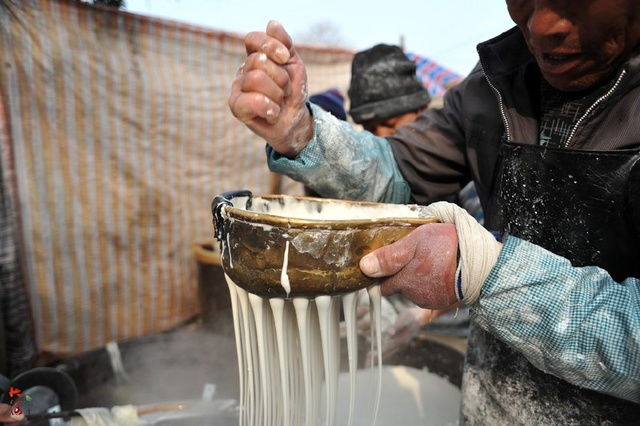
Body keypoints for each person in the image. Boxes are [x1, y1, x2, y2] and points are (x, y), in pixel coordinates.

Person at [228, 1, 640, 424]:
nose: (540, 24)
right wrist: (302, 132)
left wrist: (484, 272)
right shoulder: (495, 84)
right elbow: (401, 174)